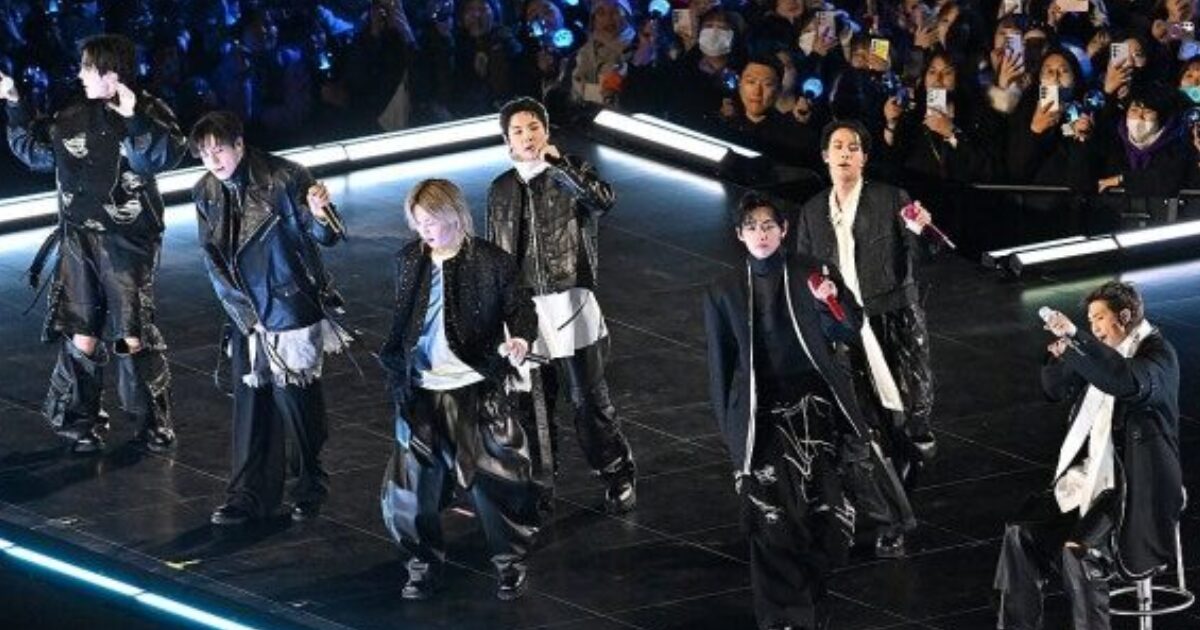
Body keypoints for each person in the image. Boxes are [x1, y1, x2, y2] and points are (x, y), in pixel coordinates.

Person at [704, 192, 909, 630]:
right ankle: (784, 618)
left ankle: (811, 600)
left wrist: (828, 302)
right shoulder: (724, 290)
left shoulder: (813, 271)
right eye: (752, 227)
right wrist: (732, 437)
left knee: (824, 517)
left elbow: (848, 329)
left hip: (816, 407)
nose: (761, 234)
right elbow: (720, 368)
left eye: (768, 226)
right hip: (761, 414)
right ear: (739, 235)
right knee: (769, 515)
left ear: (784, 230)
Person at [2, 34, 186, 454]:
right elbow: (35, 152)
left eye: (89, 67)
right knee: (82, 331)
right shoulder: (72, 115)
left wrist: (134, 118)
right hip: (79, 237)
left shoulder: (149, 111)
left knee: (130, 333)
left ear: (112, 73)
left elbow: (158, 158)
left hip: (127, 241)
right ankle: (78, 423)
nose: (81, 74)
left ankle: (151, 422)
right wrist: (13, 102)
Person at [379, 179, 540, 601]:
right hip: (421, 389)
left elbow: (521, 307)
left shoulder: (491, 261)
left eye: (431, 221)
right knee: (410, 489)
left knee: (495, 481)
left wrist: (520, 339)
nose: (425, 230)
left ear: (453, 215)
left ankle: (509, 565)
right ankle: (421, 567)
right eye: (418, 222)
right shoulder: (408, 260)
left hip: (474, 385)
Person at [189, 110, 350, 526]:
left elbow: (327, 235)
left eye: (219, 150)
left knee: (297, 403)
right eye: (205, 153)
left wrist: (320, 214)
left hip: (288, 302)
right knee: (251, 403)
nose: (213, 160)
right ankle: (248, 494)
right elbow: (212, 259)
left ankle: (310, 485)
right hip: (245, 310)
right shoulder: (205, 191)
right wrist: (245, 315)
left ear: (239, 145)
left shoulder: (285, 177)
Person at [994, 281, 1184, 630]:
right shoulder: (1100, 353)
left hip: (1135, 485)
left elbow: (1124, 381)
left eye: (1099, 318)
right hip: (1089, 476)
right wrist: (1062, 354)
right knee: (1020, 533)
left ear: (1124, 316)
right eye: (1090, 320)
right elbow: (1054, 389)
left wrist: (1078, 340)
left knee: (1079, 552)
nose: (1094, 327)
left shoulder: (1158, 355)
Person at [485, 96, 637, 514]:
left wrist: (562, 166)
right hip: (524, 309)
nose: (527, 136)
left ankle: (617, 472)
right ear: (507, 140)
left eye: (533, 127)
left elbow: (602, 201)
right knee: (531, 404)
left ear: (546, 131)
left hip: (570, 300)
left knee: (588, 399)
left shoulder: (570, 171)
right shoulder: (500, 188)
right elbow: (495, 252)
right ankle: (540, 483)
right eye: (518, 131)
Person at [793, 119, 936, 558]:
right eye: (837, 146)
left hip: (892, 320)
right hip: (843, 327)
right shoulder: (812, 211)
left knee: (907, 418)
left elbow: (921, 255)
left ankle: (906, 470)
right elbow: (804, 271)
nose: (845, 153)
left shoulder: (890, 199)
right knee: (861, 427)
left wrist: (922, 230)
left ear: (864, 157)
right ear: (825, 156)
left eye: (853, 147)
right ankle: (889, 514)